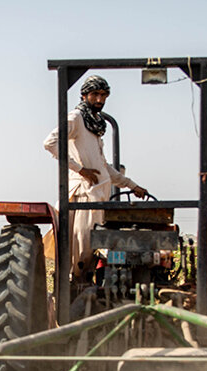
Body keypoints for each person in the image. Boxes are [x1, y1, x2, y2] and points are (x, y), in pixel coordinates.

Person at [43, 76, 150, 278]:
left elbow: (104, 168)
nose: (99, 100)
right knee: (82, 251)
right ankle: (74, 292)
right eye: (95, 95)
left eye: (103, 96)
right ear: (84, 95)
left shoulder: (95, 125)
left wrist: (132, 186)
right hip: (83, 195)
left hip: (99, 196)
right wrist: (79, 169)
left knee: (96, 250)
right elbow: (50, 143)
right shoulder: (76, 118)